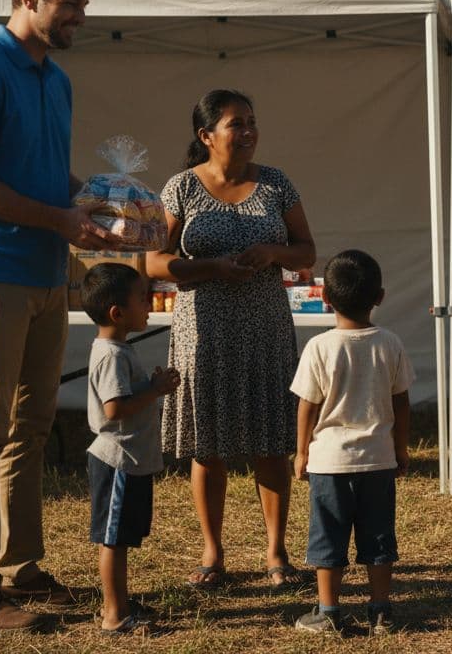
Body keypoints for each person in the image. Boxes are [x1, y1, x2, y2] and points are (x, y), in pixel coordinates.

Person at [0, 0, 121, 631]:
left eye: (83, 5)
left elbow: (46, 175)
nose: (80, 15)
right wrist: (62, 218)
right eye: (70, 4)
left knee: (32, 429)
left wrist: (101, 202)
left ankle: (21, 568)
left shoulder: (56, 78)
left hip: (46, 272)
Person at [147, 89, 316, 588]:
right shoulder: (181, 187)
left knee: (270, 441)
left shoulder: (277, 184)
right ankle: (212, 553)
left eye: (251, 122)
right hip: (204, 329)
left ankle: (276, 554)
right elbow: (153, 260)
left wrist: (271, 251)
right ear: (206, 136)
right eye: (235, 124)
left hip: (264, 326)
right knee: (208, 445)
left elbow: (307, 250)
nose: (247, 132)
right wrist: (211, 267)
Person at [291, 249, 414, 636]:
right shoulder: (389, 342)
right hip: (378, 460)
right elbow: (402, 402)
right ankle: (381, 611)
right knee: (378, 536)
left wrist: (302, 451)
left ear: (325, 298)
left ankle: (329, 612)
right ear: (380, 296)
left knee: (328, 537)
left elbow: (307, 406)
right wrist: (400, 448)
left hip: (329, 463)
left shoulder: (319, 347)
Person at [80, 263, 181, 636]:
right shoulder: (110, 355)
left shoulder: (119, 348)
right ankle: (114, 614)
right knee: (113, 540)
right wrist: (154, 391)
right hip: (116, 460)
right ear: (117, 313)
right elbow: (114, 408)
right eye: (142, 299)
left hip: (130, 459)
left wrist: (153, 384)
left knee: (122, 538)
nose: (149, 305)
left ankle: (120, 602)